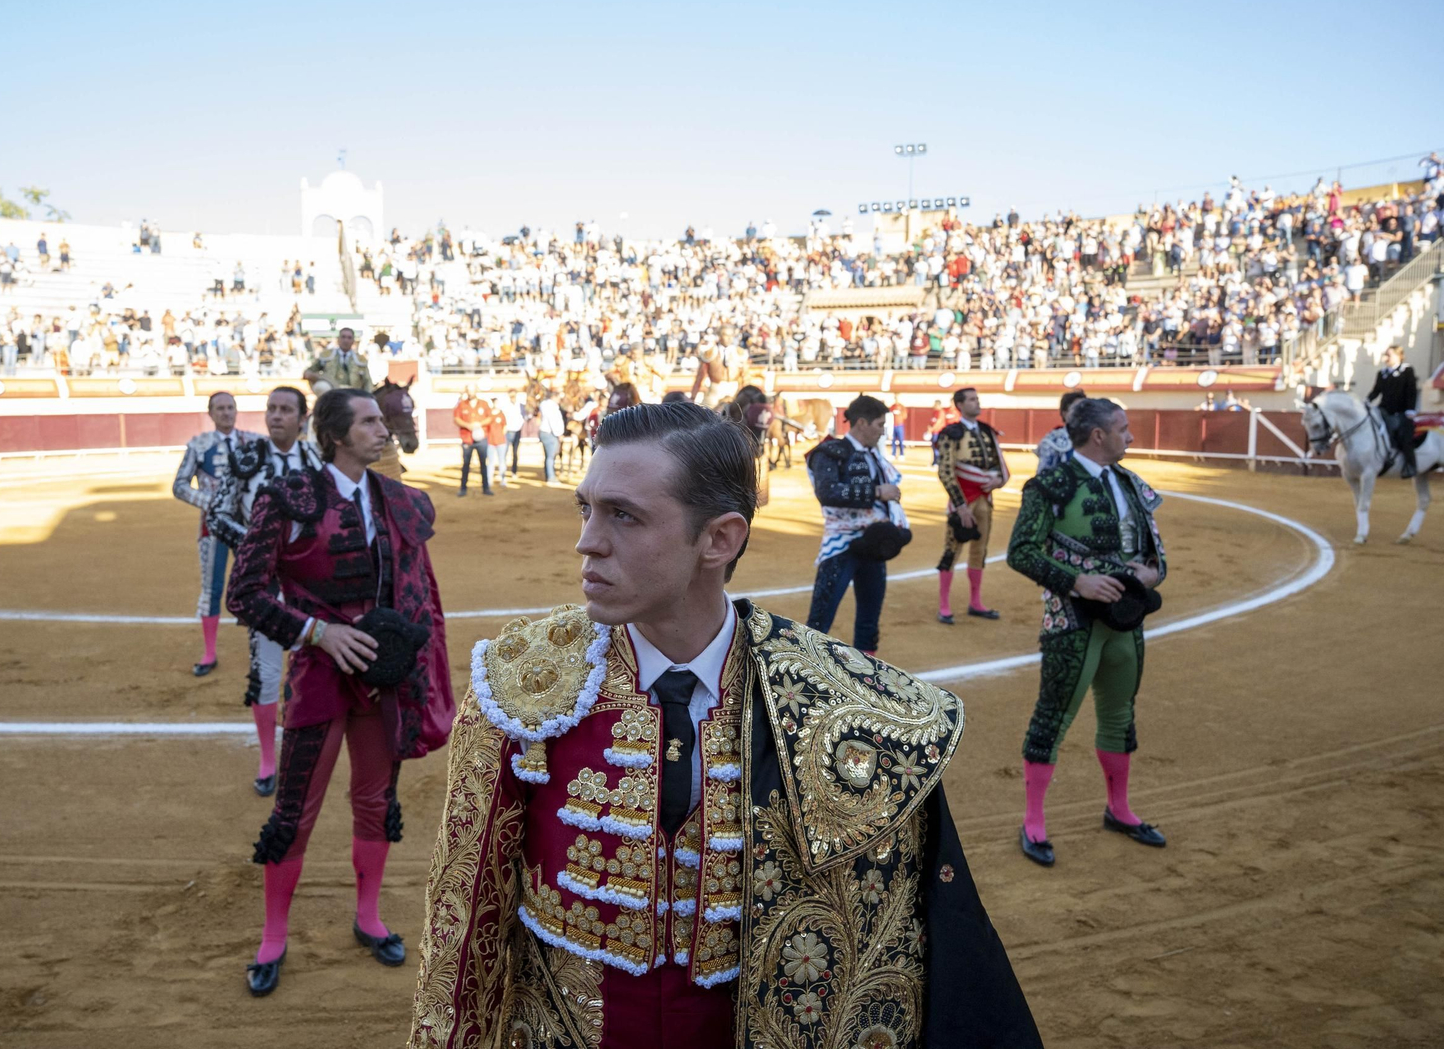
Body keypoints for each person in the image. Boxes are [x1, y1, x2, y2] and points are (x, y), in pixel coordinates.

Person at [409, 401, 1041, 1049]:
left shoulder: (850, 710)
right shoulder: (520, 686)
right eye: (587, 508)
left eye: (623, 515)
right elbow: (463, 940)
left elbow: (891, 968)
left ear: (720, 539)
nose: (588, 541)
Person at [227, 388, 455, 996]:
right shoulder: (288, 498)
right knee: (295, 808)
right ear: (336, 435)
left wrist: (413, 660)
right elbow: (243, 593)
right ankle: (274, 936)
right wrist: (316, 633)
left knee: (376, 802)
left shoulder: (397, 500)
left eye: (384, 420)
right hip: (321, 674)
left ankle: (368, 917)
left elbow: (419, 595)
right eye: (370, 421)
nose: (385, 429)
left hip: (381, 678)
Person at [1006, 398, 1168, 867]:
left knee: (1119, 715)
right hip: (1071, 620)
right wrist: (1076, 581)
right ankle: (1033, 821)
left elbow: (1157, 553)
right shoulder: (1051, 485)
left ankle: (1119, 809)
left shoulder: (1131, 484)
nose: (1130, 436)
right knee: (1052, 717)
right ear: (1098, 435)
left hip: (1125, 621)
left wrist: (1154, 575)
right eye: (1123, 428)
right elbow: (1020, 552)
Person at [205, 386, 321, 796]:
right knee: (268, 672)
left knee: (313, 668)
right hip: (264, 583)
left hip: (312, 581)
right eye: (271, 409)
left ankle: (304, 752)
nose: (275, 416)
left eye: (286, 410)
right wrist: (258, 544)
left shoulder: (318, 460)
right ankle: (268, 758)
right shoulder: (246, 460)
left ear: (302, 418)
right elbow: (217, 515)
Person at [803, 395, 908, 655]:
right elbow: (827, 492)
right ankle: (804, 676)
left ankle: (865, 678)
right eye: (879, 424)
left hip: (873, 545)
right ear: (862, 422)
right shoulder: (830, 452)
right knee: (819, 622)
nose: (883, 430)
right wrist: (876, 492)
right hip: (841, 545)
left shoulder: (873, 455)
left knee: (869, 624)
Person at [173, 392, 260, 676]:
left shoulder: (254, 442)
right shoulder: (199, 445)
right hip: (213, 527)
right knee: (212, 588)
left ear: (236, 411)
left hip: (249, 526)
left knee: (256, 584)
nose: (226, 413)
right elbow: (180, 485)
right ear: (210, 414)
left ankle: (259, 649)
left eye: (230, 407)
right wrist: (210, 502)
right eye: (220, 408)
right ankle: (209, 653)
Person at [936, 387, 1009, 624]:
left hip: (984, 500)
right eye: (971, 400)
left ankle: (975, 602)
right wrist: (960, 506)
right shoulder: (950, 433)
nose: (977, 403)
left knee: (980, 550)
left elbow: (999, 467)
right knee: (952, 549)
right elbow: (946, 471)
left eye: (977, 399)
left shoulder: (987, 432)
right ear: (960, 405)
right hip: (962, 502)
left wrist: (998, 480)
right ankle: (944, 605)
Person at [1368, 344, 1420, 478]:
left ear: (1399, 356)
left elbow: (1411, 392)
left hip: (1402, 411)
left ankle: (1410, 465)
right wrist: (1366, 401)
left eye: (1389, 355)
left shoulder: (1407, 371)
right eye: (1385, 355)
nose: (1386, 358)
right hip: (1384, 410)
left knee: (1405, 436)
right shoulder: (1382, 373)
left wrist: (1410, 410)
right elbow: (1376, 391)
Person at [453, 383, 493, 497]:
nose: (471, 393)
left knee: (483, 464)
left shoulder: (484, 404)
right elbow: (456, 418)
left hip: (481, 439)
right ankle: (463, 488)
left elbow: (490, 418)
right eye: (469, 391)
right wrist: (467, 425)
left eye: (472, 390)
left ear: (476, 391)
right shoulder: (461, 405)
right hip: (467, 438)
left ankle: (486, 488)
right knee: (466, 464)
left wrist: (479, 424)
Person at [303, 327, 373, 393]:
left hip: (352, 394)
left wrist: (368, 395)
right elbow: (309, 371)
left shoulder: (360, 359)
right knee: (322, 387)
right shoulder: (326, 355)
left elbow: (367, 380)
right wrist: (314, 376)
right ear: (338, 339)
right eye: (343, 337)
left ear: (353, 341)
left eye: (349, 338)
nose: (346, 340)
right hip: (331, 392)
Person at [1036, 388, 1087, 473]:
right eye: (1077, 409)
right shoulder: (1052, 441)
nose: (1083, 413)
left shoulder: (1097, 438)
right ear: (1065, 413)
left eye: (1086, 409)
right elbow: (1043, 476)